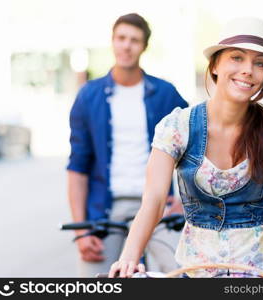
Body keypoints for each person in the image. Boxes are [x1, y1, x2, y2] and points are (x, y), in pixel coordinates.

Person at [108, 17, 263, 278]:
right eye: (237, 58)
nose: (248, 70)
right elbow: (153, 200)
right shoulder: (177, 126)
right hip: (197, 271)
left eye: (259, 63)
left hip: (262, 269)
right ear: (215, 64)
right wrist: (128, 258)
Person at [67, 13, 188, 277]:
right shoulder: (89, 95)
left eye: (134, 40)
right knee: (92, 282)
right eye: (121, 38)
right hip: (105, 209)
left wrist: (184, 202)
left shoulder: (165, 94)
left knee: (183, 272)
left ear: (144, 46)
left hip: (158, 205)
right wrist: (81, 230)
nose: (126, 46)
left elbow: (197, 148)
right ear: (112, 42)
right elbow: (77, 166)